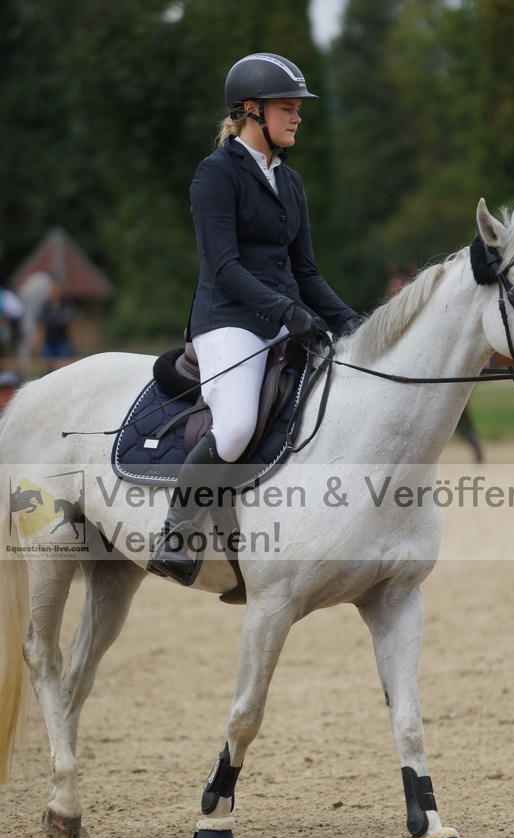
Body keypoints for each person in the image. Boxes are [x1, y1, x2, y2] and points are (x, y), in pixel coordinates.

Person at [148, 52, 359, 584]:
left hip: (284, 317)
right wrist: (288, 312)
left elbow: (306, 272)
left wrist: (350, 321)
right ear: (251, 111)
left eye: (298, 110)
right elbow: (224, 266)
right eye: (288, 109)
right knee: (238, 424)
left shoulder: (291, 182)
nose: (297, 118)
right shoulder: (216, 174)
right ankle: (175, 531)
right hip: (228, 320)